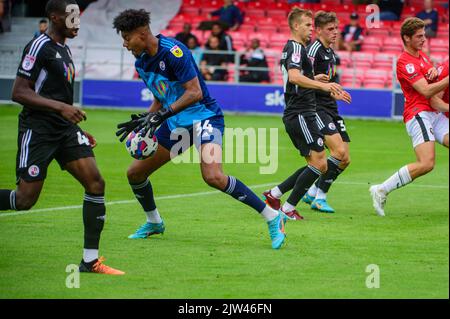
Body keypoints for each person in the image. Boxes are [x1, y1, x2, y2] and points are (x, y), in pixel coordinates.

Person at [112, 9, 288, 249]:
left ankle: (272, 216)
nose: (124, 44)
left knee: (213, 176)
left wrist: (162, 114)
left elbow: (194, 92)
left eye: (126, 37)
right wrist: (147, 118)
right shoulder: (141, 61)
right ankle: (154, 222)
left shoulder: (174, 52)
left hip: (205, 118)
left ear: (142, 34)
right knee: (135, 173)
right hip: (177, 124)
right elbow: (160, 96)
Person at [0, 0, 124, 275]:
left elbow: (58, 96)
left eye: (78, 16)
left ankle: (90, 261)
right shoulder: (38, 46)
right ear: (55, 17)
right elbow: (19, 92)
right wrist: (62, 108)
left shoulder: (64, 50)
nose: (77, 22)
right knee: (24, 200)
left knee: (95, 182)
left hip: (64, 131)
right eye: (72, 17)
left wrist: (75, 128)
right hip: (39, 130)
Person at [262, 7, 350, 220]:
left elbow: (299, 77)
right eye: (308, 25)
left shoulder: (298, 48)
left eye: (312, 25)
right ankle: (288, 208)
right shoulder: (295, 48)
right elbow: (293, 77)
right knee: (320, 163)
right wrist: (323, 87)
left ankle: (275, 195)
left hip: (305, 111)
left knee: (316, 163)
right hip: (300, 112)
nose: (312, 29)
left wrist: (317, 79)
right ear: (295, 26)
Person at [370, 17, 449, 216]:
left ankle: (381, 189)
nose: (424, 39)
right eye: (419, 36)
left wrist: (432, 71)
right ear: (406, 38)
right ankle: (381, 189)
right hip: (418, 114)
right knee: (426, 163)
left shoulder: (422, 57)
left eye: (424, 35)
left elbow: (430, 81)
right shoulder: (405, 61)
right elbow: (426, 91)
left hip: (434, 114)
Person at [299, 11, 352, 214]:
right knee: (337, 152)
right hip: (316, 107)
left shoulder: (330, 53)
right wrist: (325, 88)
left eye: (336, 28)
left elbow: (327, 82)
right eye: (330, 29)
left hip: (330, 106)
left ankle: (312, 191)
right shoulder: (313, 50)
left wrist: (335, 91)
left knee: (345, 158)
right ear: (318, 30)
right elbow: (303, 79)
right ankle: (320, 197)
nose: (335, 32)